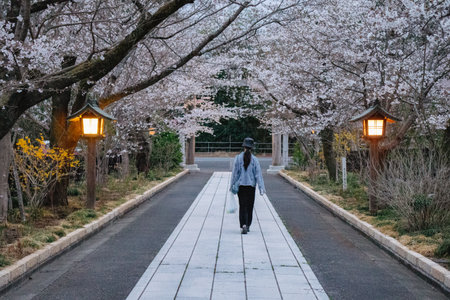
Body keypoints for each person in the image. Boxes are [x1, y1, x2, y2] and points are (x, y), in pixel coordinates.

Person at [230, 137, 266, 234]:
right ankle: (248, 225)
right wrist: (261, 188)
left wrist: (231, 185)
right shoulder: (255, 160)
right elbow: (258, 174)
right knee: (250, 206)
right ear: (251, 148)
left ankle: (243, 225)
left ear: (244, 147)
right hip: (251, 186)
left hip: (241, 186)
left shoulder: (238, 158)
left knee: (242, 205)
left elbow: (234, 173)